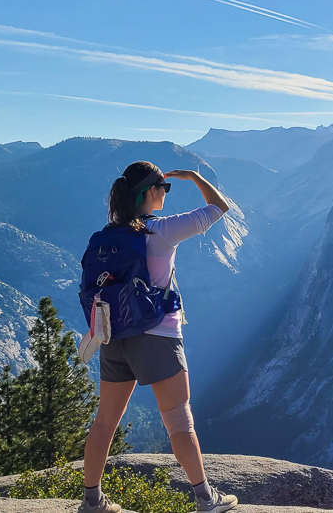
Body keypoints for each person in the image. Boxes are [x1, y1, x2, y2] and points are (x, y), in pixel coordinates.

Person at [79, 160, 238, 513]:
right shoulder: (162, 231)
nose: (166, 193)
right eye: (164, 188)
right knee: (179, 418)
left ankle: (92, 501)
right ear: (151, 192)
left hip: (113, 334)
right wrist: (194, 177)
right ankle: (204, 499)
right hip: (158, 335)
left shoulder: (105, 236)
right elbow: (219, 208)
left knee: (105, 420)